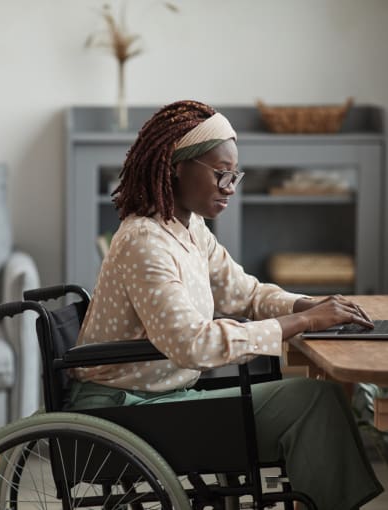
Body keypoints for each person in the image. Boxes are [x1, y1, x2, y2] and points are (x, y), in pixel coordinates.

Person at [66, 100, 383, 509]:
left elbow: (245, 293)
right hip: (127, 409)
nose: (230, 187)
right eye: (221, 174)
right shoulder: (144, 241)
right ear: (176, 166)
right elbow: (192, 345)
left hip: (166, 398)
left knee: (315, 397)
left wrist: (310, 304)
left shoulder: (189, 227)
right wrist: (301, 322)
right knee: (310, 402)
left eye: (235, 175)